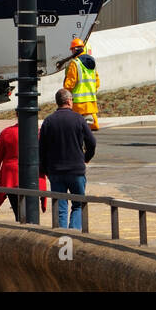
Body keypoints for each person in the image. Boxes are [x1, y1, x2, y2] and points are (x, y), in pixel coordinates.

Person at [38, 88, 96, 230]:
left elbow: (41, 148)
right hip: (75, 170)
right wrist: (86, 158)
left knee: (60, 206)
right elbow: (92, 142)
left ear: (57, 102)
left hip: (56, 171)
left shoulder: (49, 121)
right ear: (69, 101)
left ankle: (61, 235)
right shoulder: (79, 119)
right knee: (78, 204)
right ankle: (73, 233)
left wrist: (45, 169)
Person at [0, 116, 47, 221]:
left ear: (17, 115)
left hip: (11, 178)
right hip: (34, 176)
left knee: (18, 211)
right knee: (32, 211)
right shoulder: (38, 133)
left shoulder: (7, 132)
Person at [63, 37, 101, 129]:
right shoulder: (92, 61)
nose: (71, 52)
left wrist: (65, 93)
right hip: (91, 102)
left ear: (75, 49)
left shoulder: (75, 63)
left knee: (76, 129)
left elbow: (70, 84)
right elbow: (97, 82)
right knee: (90, 127)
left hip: (78, 104)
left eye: (72, 49)